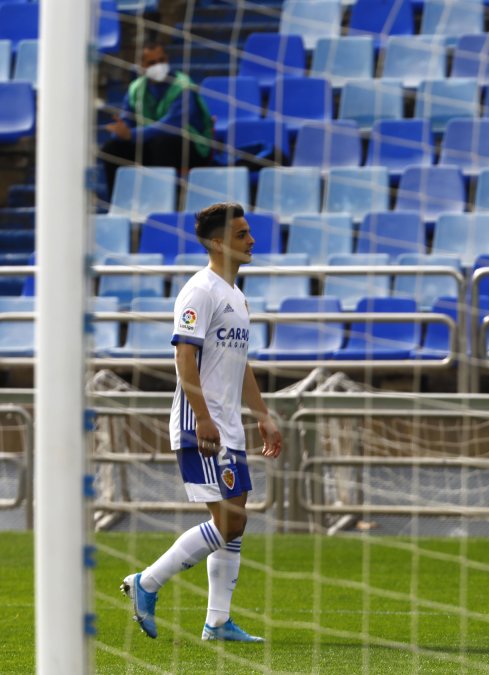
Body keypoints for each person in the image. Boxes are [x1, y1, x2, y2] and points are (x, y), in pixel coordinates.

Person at [122, 202, 282, 643]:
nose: (251, 241)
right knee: (230, 521)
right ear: (217, 242)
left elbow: (240, 363)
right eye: (241, 234)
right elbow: (184, 358)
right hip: (201, 424)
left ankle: (217, 622)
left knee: (237, 518)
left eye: (249, 232)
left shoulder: (237, 295)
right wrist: (204, 418)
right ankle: (147, 583)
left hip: (227, 424)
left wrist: (262, 416)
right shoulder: (199, 292)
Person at [100, 42, 214, 197]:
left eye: (161, 60)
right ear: (142, 66)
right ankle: (119, 200)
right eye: (152, 63)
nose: (158, 66)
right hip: (152, 144)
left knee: (161, 143)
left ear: (167, 59)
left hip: (191, 148)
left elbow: (172, 125)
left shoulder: (183, 86)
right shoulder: (136, 89)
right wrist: (120, 132)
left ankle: (161, 199)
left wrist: (132, 135)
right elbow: (127, 119)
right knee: (112, 148)